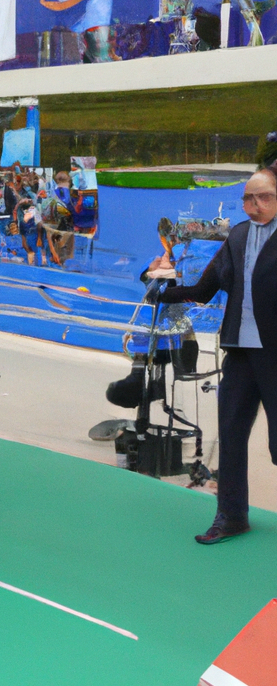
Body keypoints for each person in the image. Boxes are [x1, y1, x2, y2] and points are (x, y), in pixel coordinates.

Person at [149, 167, 277, 544]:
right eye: (248, 198)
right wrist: (159, 288)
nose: (253, 205)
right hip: (239, 354)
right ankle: (232, 516)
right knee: (232, 436)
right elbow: (204, 290)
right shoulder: (237, 236)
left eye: (263, 197)